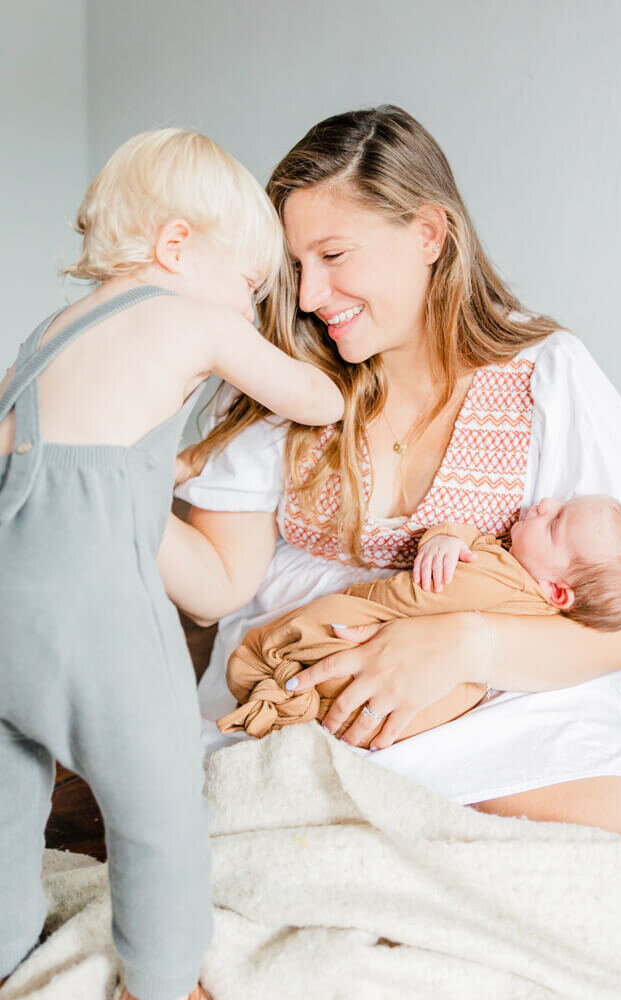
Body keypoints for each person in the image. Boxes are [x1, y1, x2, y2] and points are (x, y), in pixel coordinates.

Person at [167, 106, 621, 839]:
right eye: (295, 266)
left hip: (506, 697)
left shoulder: (550, 377)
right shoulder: (268, 381)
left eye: (335, 257)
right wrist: (110, 480)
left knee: (605, 863)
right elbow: (215, 592)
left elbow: (613, 631)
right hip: (305, 691)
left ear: (428, 234)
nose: (307, 298)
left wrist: (462, 644)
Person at [0, 128, 343, 1000]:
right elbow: (312, 397)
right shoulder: (190, 317)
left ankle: (4, 955)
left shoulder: (47, 334)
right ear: (175, 246)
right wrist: (318, 384)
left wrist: (171, 468)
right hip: (97, 623)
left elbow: (75, 462)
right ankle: (159, 980)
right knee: (159, 809)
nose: (256, 307)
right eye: (252, 286)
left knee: (4, 816)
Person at [216, 497, 621, 776]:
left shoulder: (494, 582)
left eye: (555, 523)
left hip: (381, 658)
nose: (545, 503)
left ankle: (276, 690)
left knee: (311, 641)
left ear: (556, 591)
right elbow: (481, 548)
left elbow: (411, 595)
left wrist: (442, 544)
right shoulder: (526, 584)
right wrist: (449, 538)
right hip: (405, 703)